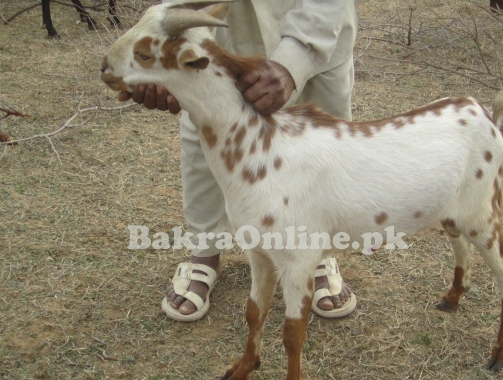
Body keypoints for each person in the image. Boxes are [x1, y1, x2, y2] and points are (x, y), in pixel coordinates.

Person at [119, 0, 359, 321]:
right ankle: (205, 252)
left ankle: (319, 254)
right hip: (218, 36)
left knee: (323, 141)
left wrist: (294, 60)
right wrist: (162, 49)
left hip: (318, 28)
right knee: (207, 133)